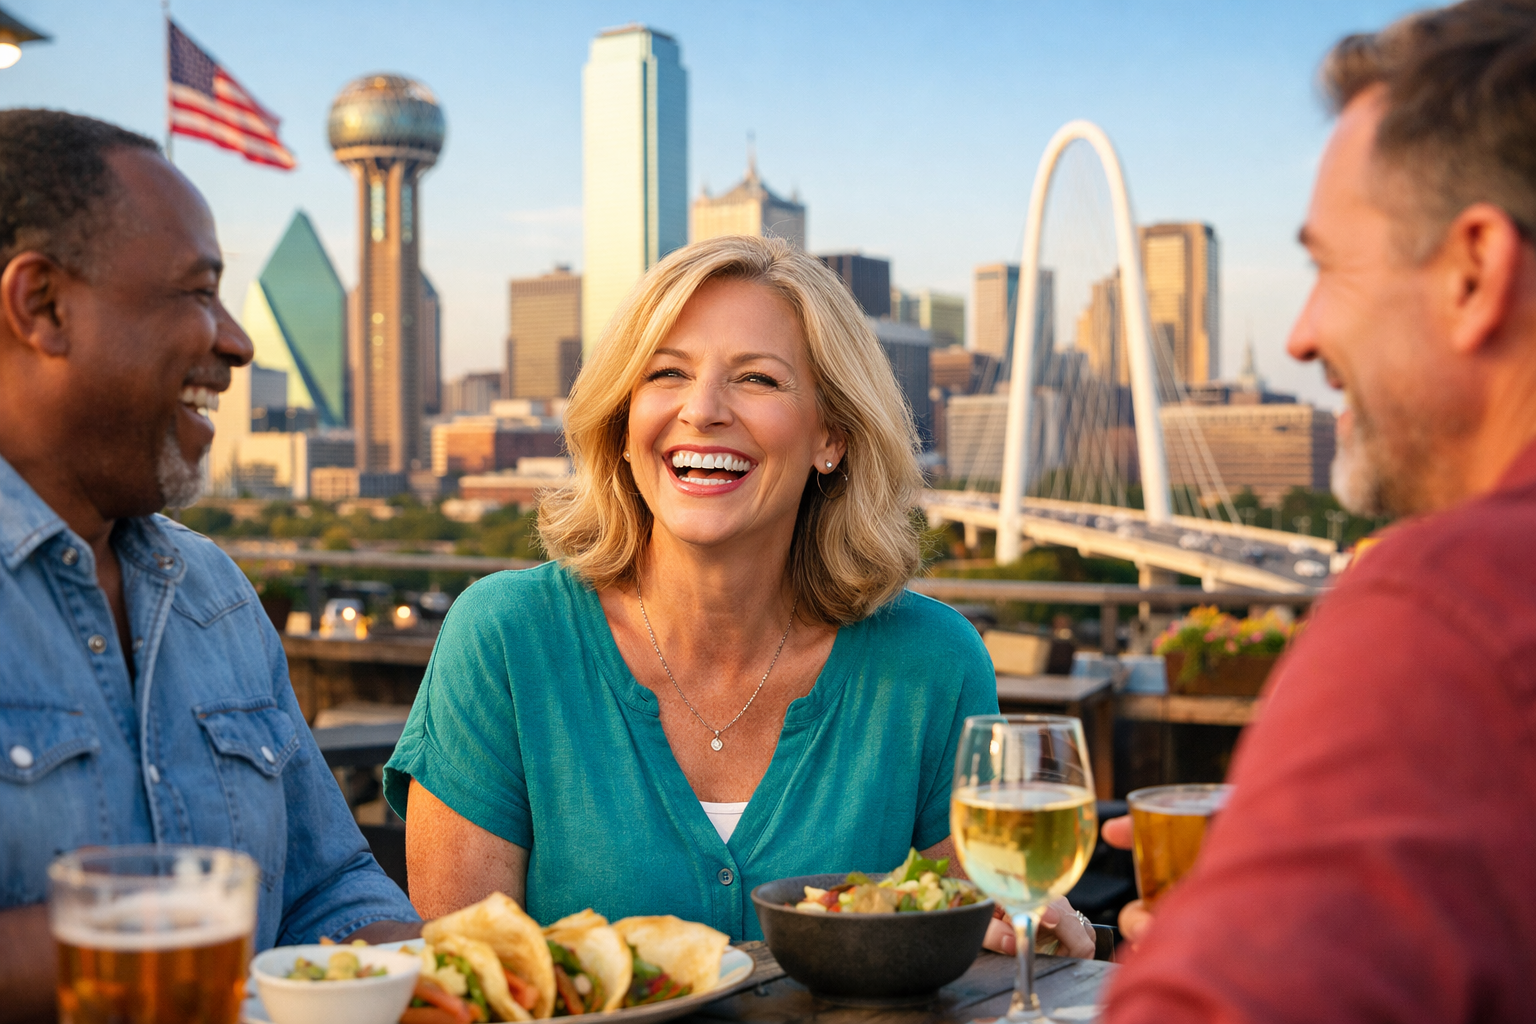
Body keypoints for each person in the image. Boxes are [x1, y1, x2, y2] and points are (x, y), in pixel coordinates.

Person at [385, 235, 1096, 956]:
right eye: (666, 373)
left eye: (757, 379)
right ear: (623, 424)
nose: (703, 409)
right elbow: (465, 985)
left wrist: (1031, 954)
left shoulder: (934, 665)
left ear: (833, 435)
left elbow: (965, 960)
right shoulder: (504, 641)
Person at [1102, 2, 1536, 1020]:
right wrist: (1314, 852)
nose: (1299, 336)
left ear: (1473, 270)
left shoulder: (1444, 615)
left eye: (1327, 266)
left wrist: (1244, 925)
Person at [0, 110, 418, 1024]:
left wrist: (454, 981)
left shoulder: (216, 595)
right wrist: (141, 934)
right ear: (42, 307)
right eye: (198, 292)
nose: (237, 341)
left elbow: (332, 888)